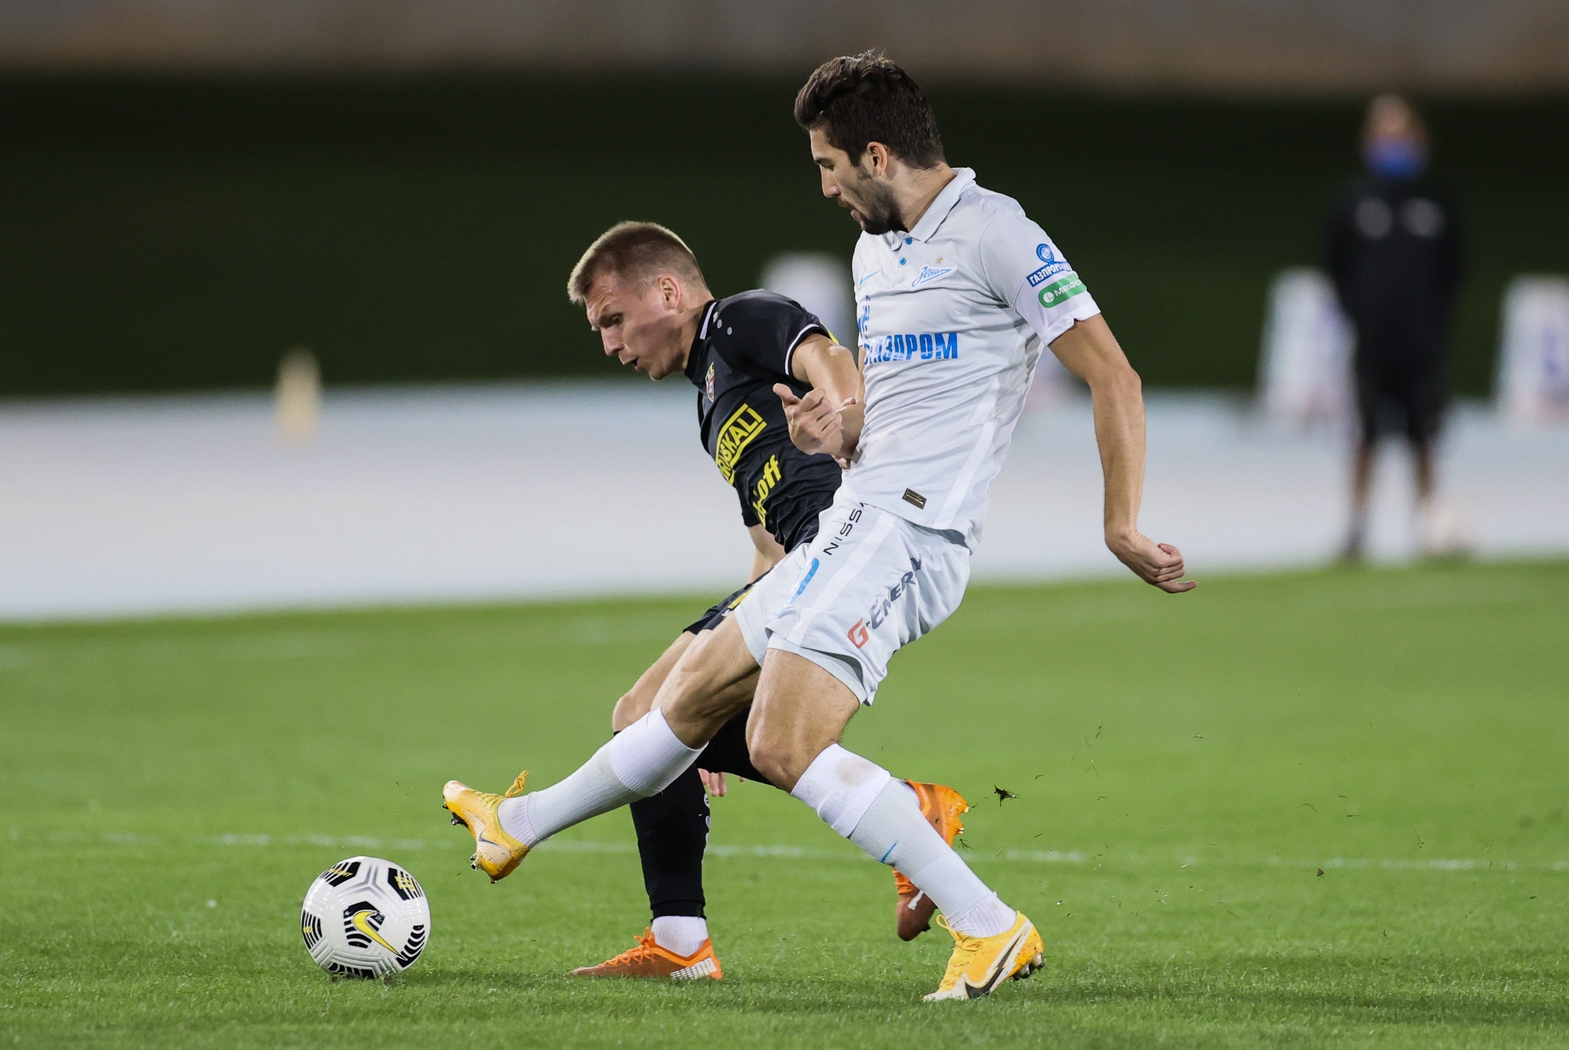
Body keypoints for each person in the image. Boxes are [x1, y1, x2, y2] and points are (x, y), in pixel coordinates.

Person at [443, 52, 1193, 1001]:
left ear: (875, 155)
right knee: (676, 704)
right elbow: (885, 409)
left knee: (779, 743)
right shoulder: (874, 255)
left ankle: (989, 926)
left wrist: (1119, 523)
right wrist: (836, 431)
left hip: (911, 532)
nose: (825, 186)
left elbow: (1113, 375)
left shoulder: (998, 232)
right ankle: (518, 827)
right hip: (853, 515)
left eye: (828, 165)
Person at [448, 220, 971, 981]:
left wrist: (846, 419)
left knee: (673, 724)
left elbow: (829, 358)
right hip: (791, 564)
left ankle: (683, 925)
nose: (610, 344)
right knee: (644, 714)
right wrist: (722, 666)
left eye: (613, 319)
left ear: (667, 291)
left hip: (844, 550)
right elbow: (764, 541)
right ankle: (680, 940)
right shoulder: (709, 402)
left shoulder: (743, 319)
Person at [1326, 94, 1465, 560]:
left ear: (1417, 137)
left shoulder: (1436, 201)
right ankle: (1356, 529)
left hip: (1421, 345)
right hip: (1372, 344)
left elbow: (1454, 268)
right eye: (1384, 135)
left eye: (1400, 135)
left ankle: (1430, 528)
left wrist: (1433, 320)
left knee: (1423, 437)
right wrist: (1359, 314)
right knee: (1363, 436)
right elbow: (1336, 264)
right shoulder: (1353, 201)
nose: (1392, 144)